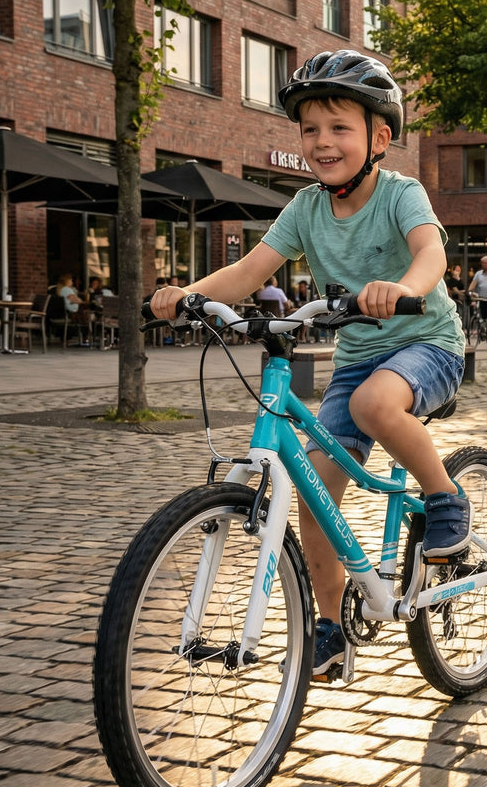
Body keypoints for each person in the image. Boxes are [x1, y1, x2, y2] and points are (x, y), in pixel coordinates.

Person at [149, 49, 468, 680]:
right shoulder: (305, 208)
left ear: (380, 137)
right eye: (310, 130)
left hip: (426, 342)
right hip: (357, 355)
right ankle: (328, 626)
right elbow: (246, 273)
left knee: (373, 405)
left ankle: (445, 496)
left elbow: (431, 252)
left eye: (339, 128)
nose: (322, 142)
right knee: (315, 492)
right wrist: (187, 294)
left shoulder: (401, 193)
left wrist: (401, 286)